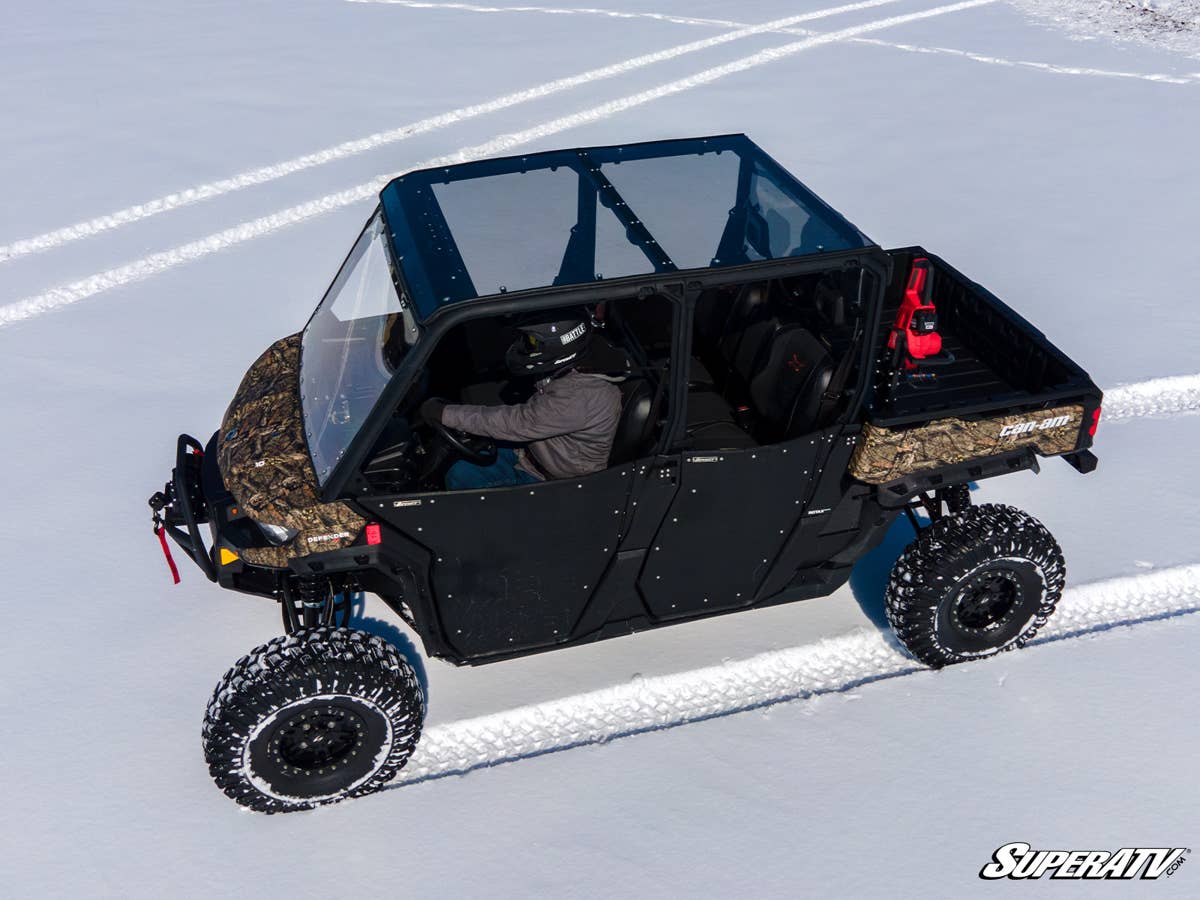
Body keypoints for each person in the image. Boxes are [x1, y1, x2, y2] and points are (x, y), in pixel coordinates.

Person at [420, 314, 623, 490]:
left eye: (531, 342)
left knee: (460, 476)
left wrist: (445, 414)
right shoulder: (577, 365)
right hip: (532, 453)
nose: (525, 346)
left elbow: (516, 423)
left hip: (552, 481)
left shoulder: (578, 396)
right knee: (457, 456)